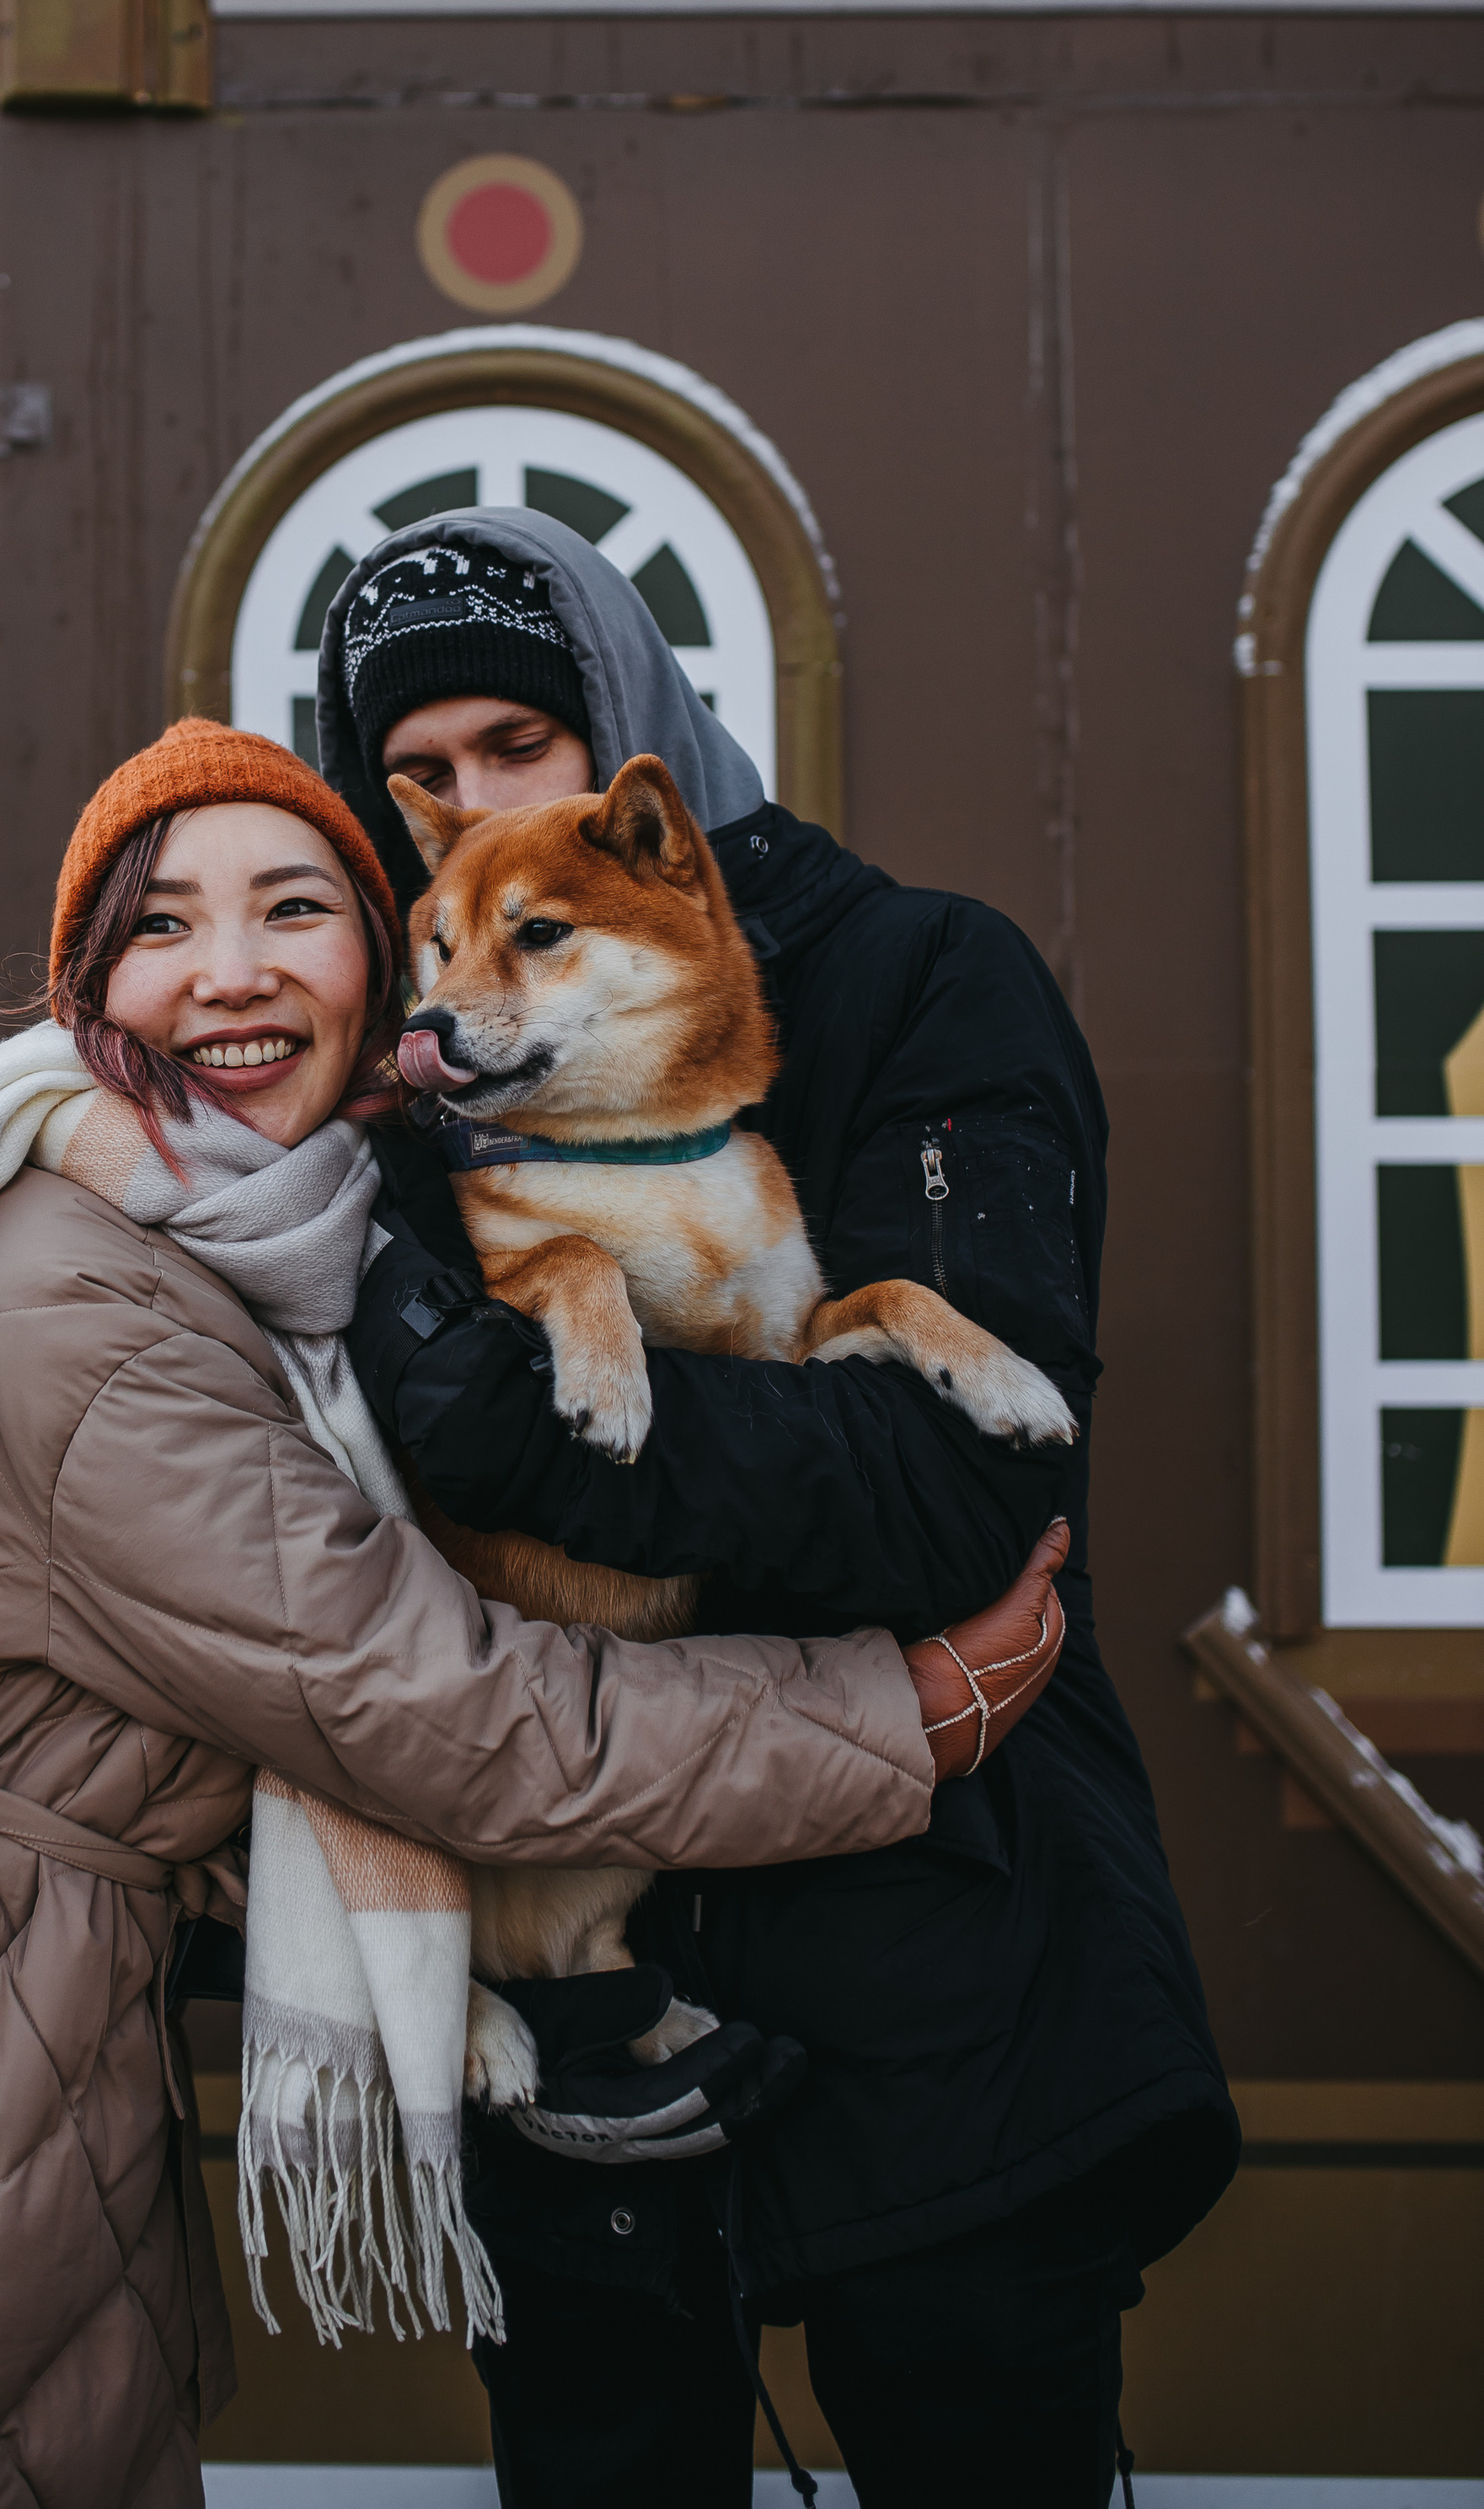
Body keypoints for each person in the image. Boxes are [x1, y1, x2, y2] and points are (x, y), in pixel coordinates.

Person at [0, 721, 1064, 2509]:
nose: (230, 970)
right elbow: (419, 1701)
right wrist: (899, 1715)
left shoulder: (268, 1240)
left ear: (372, 967)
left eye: (294, 908)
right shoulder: (84, 1301)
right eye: (163, 924)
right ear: (89, 985)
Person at [318, 515, 1240, 2509]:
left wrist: (507, 1424)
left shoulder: (922, 980)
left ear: (626, 735)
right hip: (586, 2029)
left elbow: (953, 1491)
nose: (475, 797)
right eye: (421, 773)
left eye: (518, 738)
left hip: (954, 1998)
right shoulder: (389, 1103)